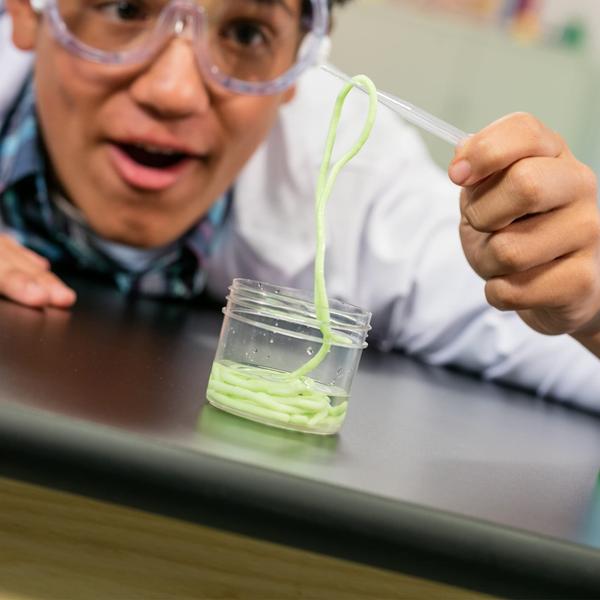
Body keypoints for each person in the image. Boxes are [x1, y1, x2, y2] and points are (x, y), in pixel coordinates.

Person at [1, 0, 600, 407]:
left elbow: (578, 352)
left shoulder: (359, 183)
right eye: (124, 7)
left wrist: (590, 300)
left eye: (244, 33)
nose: (174, 92)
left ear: (298, 64)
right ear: (27, 11)